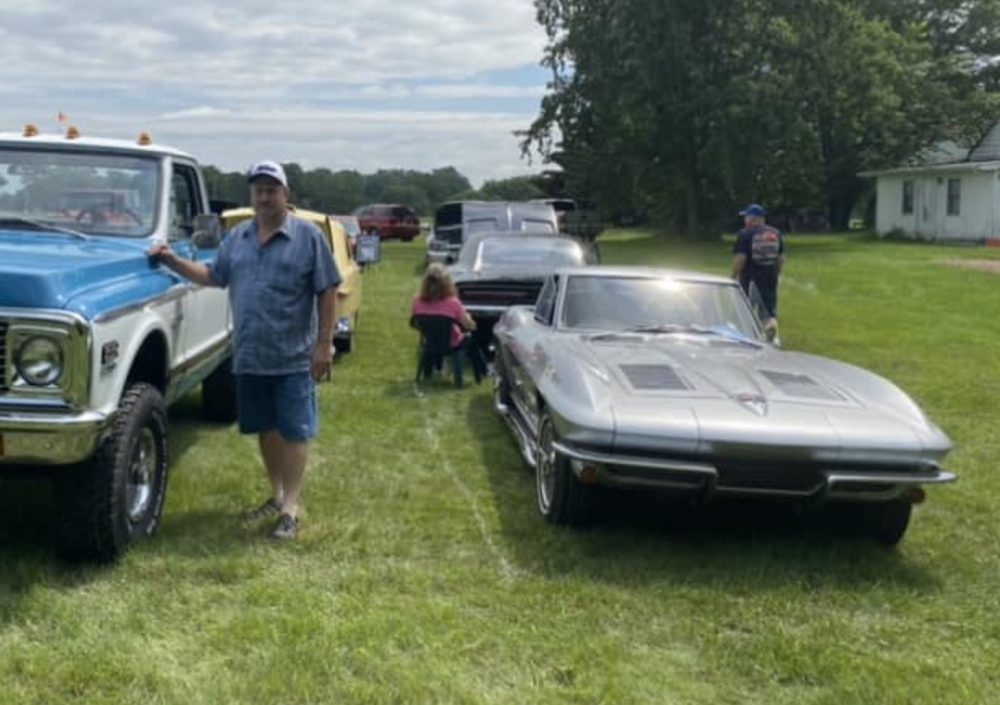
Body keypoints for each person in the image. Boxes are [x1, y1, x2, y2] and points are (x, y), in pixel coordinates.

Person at [148, 161, 340, 540]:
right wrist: (171, 259)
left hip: (294, 356)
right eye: (259, 190)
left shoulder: (307, 237)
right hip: (250, 355)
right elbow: (213, 276)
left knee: (295, 430)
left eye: (272, 189)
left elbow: (328, 289)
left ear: (286, 194)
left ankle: (290, 509)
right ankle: (277, 494)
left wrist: (324, 345)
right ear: (252, 196)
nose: (265, 197)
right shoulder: (237, 239)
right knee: (265, 429)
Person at [411, 264, 485, 381]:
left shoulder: (416, 300)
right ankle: (482, 372)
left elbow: (417, 321)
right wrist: (469, 318)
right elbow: (469, 325)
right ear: (447, 282)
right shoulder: (453, 303)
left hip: (429, 342)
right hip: (451, 344)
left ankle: (430, 372)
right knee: (473, 340)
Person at [730, 203, 784, 340]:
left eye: (746, 217)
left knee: (743, 310)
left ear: (754, 218)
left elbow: (741, 258)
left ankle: (743, 338)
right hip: (770, 277)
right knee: (769, 313)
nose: (744, 220)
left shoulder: (745, 234)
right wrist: (776, 274)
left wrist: (733, 275)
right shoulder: (775, 233)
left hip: (750, 279)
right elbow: (781, 258)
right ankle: (771, 331)